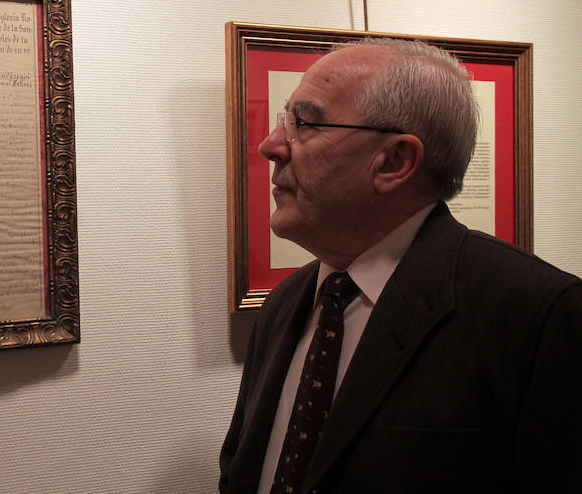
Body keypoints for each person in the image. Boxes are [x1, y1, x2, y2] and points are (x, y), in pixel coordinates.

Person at [219, 38, 581, 494]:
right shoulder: (286, 303)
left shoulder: (540, 317)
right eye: (283, 120)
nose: (270, 145)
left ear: (394, 161)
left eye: (304, 123)